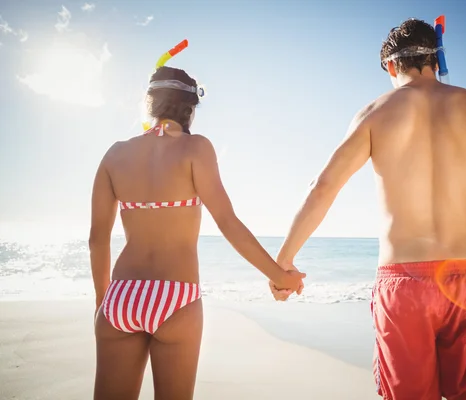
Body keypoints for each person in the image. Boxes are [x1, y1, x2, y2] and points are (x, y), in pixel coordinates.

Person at [270, 18, 466, 400]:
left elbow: (323, 188)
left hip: (403, 285)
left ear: (391, 66)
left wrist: (283, 263)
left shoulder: (375, 112)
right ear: (437, 60)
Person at [89, 66, 305, 400]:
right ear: (190, 109)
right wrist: (280, 276)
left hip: (121, 295)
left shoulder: (115, 153)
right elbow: (227, 223)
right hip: (175, 298)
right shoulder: (196, 149)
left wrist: (103, 304)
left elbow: (98, 239)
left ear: (150, 104)